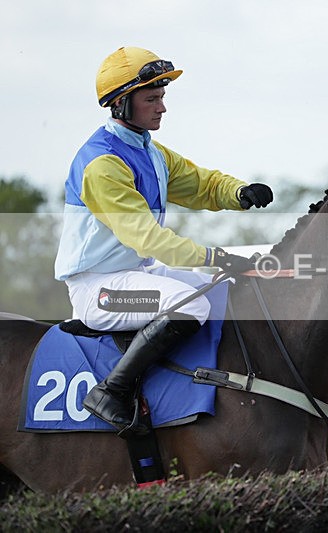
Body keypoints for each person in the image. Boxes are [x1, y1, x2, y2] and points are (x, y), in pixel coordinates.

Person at [54, 46, 274, 435]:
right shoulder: (102, 164)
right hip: (100, 291)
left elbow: (200, 182)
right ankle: (111, 391)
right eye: (151, 99)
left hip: (135, 275)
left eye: (162, 97)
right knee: (187, 308)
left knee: (221, 292)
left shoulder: (149, 151)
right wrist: (217, 256)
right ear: (121, 104)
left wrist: (238, 193)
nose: (162, 108)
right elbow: (150, 239)